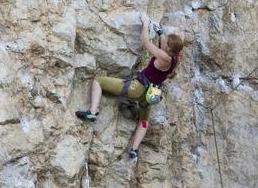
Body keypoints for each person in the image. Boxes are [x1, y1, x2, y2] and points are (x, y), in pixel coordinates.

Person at [75, 17, 184, 160]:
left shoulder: (164, 56)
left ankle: (93, 112)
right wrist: (160, 32)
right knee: (144, 121)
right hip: (149, 95)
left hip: (137, 88)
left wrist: (145, 24)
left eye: (165, 43)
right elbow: (165, 43)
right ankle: (134, 150)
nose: (163, 41)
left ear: (168, 49)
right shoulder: (175, 59)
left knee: (98, 81)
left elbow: (145, 42)